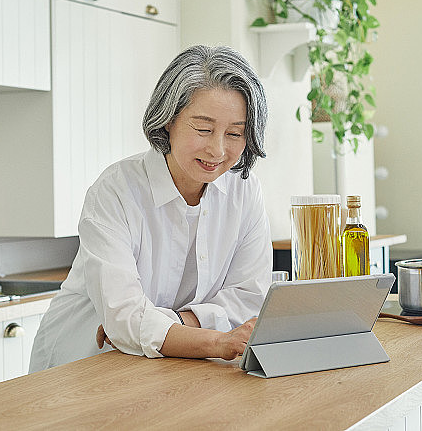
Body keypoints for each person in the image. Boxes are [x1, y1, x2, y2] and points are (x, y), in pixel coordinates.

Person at [29, 45, 272, 371]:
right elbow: (124, 317)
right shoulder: (116, 190)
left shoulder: (244, 191)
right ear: (168, 120)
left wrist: (162, 324)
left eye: (234, 133)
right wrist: (216, 340)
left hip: (172, 364)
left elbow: (249, 299)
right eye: (203, 129)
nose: (217, 149)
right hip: (84, 364)